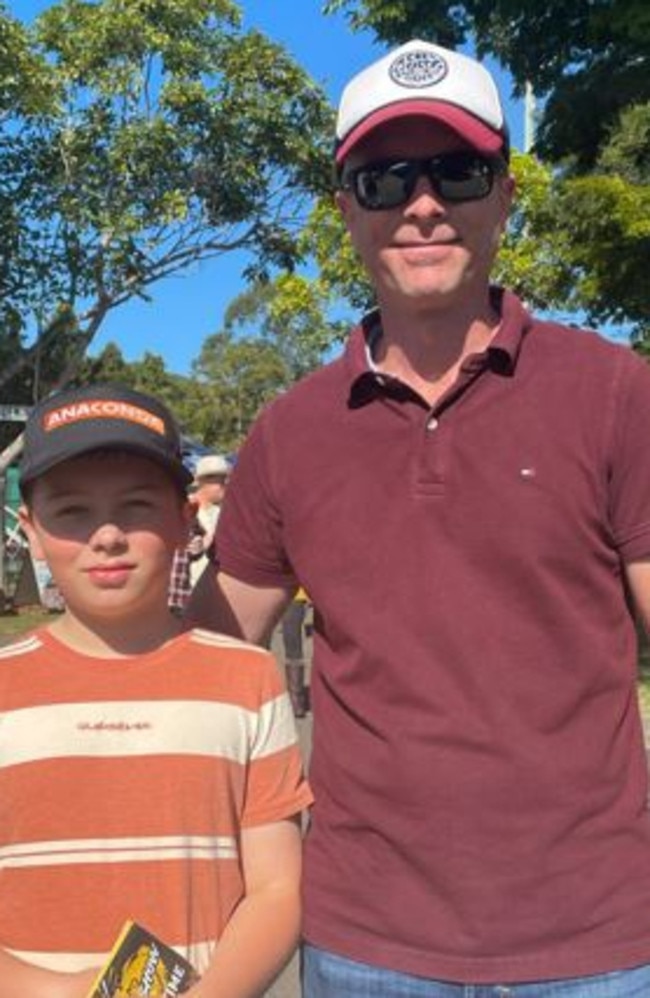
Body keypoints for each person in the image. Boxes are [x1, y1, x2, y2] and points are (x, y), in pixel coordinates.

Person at [190, 37, 650, 996]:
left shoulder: (616, 394)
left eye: (457, 169)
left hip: (601, 941)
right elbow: (206, 665)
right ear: (345, 208)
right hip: (366, 947)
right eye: (386, 177)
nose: (424, 203)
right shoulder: (289, 433)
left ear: (506, 193)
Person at [0, 383, 312, 998]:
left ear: (184, 521)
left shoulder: (247, 679)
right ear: (30, 531)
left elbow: (279, 888)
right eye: (71, 512)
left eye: (137, 506)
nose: (107, 535)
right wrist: (52, 990)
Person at [188, 453, 230, 586]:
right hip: (185, 593)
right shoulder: (184, 508)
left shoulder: (221, 513)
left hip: (213, 590)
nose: (226, 486)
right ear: (204, 482)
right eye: (221, 481)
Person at [280, 588, 311, 718]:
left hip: (299, 593)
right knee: (291, 640)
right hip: (279, 590)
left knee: (292, 638)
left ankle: (296, 697)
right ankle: (295, 699)